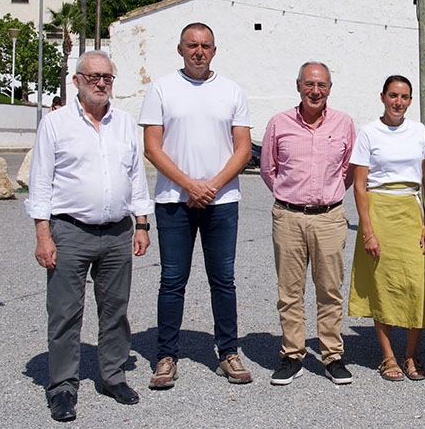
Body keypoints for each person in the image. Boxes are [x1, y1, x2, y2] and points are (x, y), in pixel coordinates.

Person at [25, 51, 153, 421]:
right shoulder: (56, 124)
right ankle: (63, 386)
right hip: (70, 231)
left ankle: (112, 376)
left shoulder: (125, 123)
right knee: (65, 313)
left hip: (117, 232)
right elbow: (41, 183)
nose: (101, 83)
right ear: (77, 80)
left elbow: (136, 178)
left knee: (115, 310)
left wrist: (142, 224)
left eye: (107, 77)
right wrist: (43, 235)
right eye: (93, 76)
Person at [139, 22, 254, 388]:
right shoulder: (161, 88)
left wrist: (212, 187)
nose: (199, 52)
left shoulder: (232, 90)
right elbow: (152, 147)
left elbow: (243, 149)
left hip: (222, 202)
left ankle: (228, 352)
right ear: (180, 49)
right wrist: (190, 185)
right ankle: (166, 355)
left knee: (223, 280)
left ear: (214, 50)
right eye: (192, 45)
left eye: (205, 46)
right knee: (172, 280)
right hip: (174, 200)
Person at [260, 61, 357, 386]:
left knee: (330, 290)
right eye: (310, 84)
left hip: (329, 218)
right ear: (298, 85)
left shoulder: (344, 123)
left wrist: (325, 197)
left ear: (330, 88)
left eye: (322, 85)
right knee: (290, 291)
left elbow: (348, 171)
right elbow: (268, 169)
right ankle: (292, 355)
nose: (316, 91)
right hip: (288, 217)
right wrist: (292, 197)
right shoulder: (279, 123)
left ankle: (332, 356)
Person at [349, 75, 425, 382]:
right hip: (380, 210)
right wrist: (368, 230)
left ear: (410, 101)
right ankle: (388, 356)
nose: (399, 102)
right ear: (382, 96)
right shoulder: (369, 132)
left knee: (414, 285)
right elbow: (359, 186)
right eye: (393, 95)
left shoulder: (420, 131)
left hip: (411, 211)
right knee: (382, 285)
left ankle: (411, 354)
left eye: (405, 97)